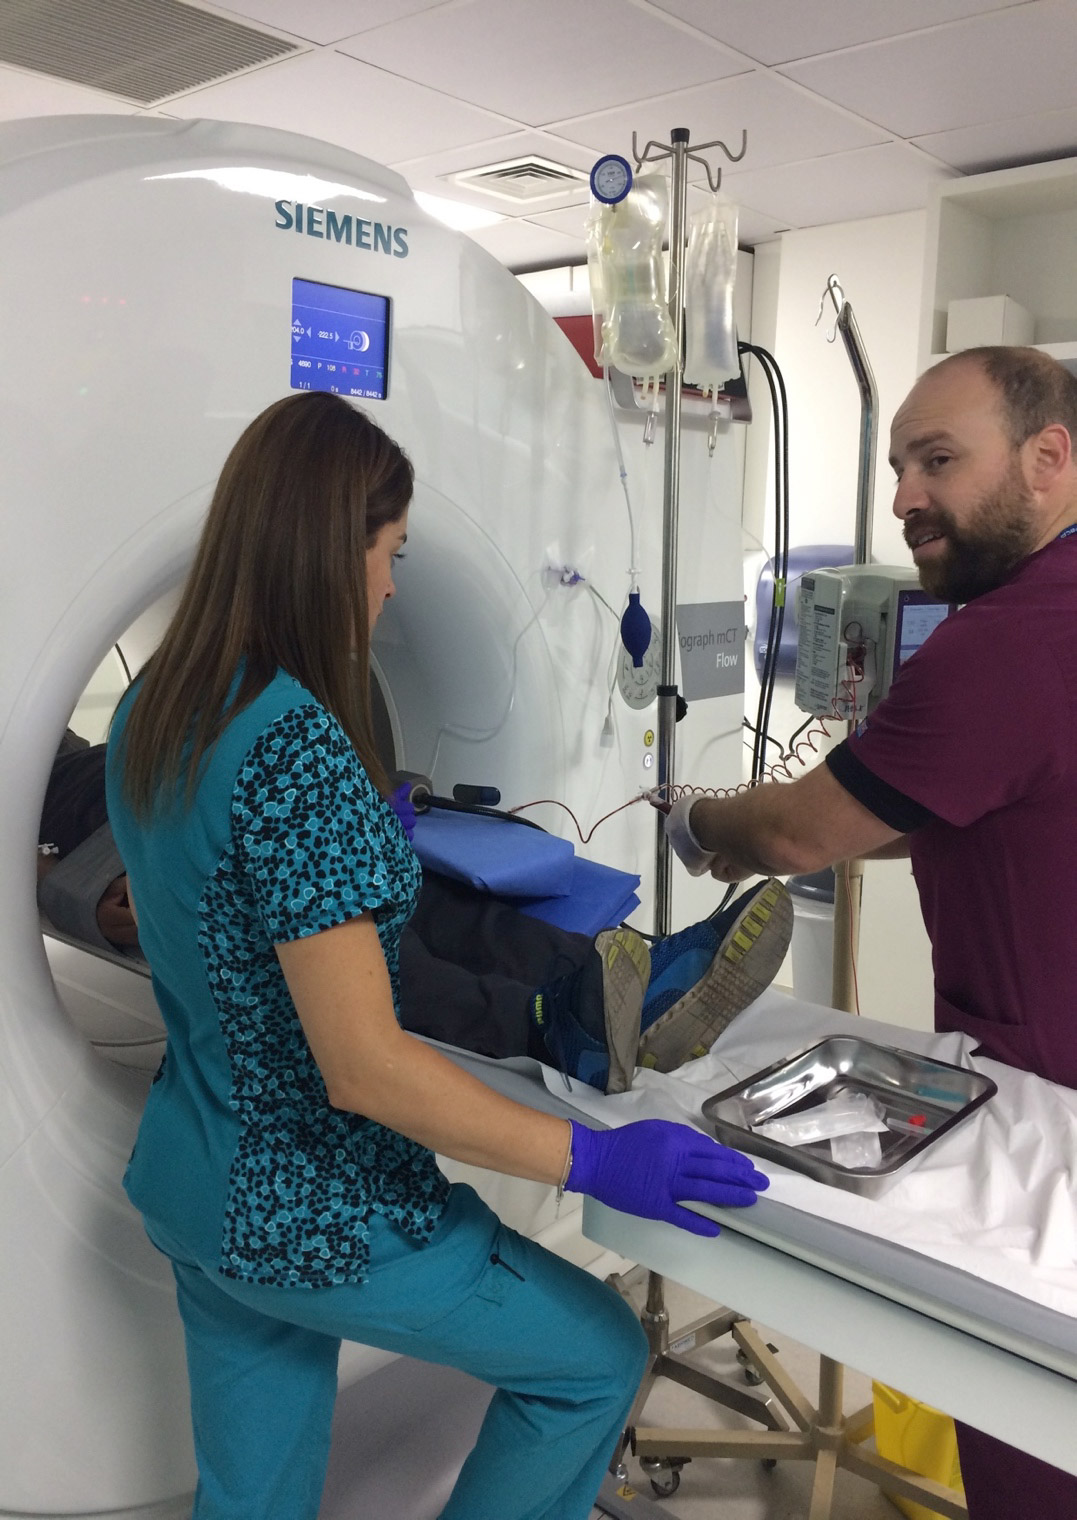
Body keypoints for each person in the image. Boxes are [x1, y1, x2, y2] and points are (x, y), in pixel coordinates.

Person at [103, 390, 772, 1520]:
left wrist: (360, 836)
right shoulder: (296, 747)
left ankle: (603, 997)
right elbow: (364, 1069)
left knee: (251, 1499)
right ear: (332, 550)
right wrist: (592, 1162)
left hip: (193, 1180)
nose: (390, 584)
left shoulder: (158, 706)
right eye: (390, 553)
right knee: (595, 1358)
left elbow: (221, 911)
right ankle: (598, 1003)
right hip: (312, 1208)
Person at [661, 345, 1077, 1520]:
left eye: (938, 460)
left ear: (1048, 457)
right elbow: (989, 802)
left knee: (1034, 1436)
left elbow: (797, 830)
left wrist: (697, 820)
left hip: (1048, 1110)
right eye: (897, 466)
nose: (904, 497)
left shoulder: (1005, 641)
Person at [40, 731, 792, 1087]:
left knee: (430, 893)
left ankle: (628, 981)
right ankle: (552, 1027)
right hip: (138, 840)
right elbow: (51, 879)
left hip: (196, 788)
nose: (392, 587)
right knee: (359, 936)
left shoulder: (75, 720)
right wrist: (87, 898)